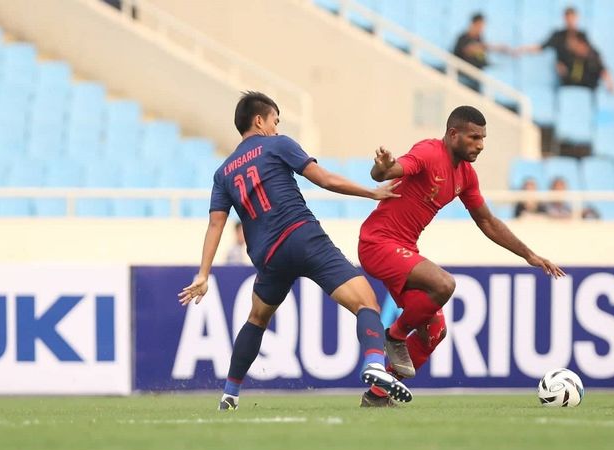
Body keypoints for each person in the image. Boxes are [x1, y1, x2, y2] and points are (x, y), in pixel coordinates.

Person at [178, 91, 413, 410]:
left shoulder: (223, 172)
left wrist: (203, 274)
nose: (276, 127)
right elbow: (325, 179)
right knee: (365, 302)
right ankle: (373, 363)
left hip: (267, 256)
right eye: (275, 120)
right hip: (302, 237)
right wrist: (370, 192)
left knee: (257, 319)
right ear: (259, 120)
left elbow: (216, 225)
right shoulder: (277, 144)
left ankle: (229, 395)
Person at [357, 106, 566, 406]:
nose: (480, 144)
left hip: (402, 249)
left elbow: (488, 221)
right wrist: (381, 167)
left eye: (483, 138)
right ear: (453, 134)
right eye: (473, 137)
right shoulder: (429, 152)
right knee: (443, 284)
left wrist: (528, 254)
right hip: (378, 243)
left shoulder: (466, 175)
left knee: (435, 331)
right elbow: (388, 171)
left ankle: (377, 396)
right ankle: (395, 335)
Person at [515, 7, 614, 92]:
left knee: (594, 56)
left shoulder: (582, 35)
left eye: (573, 18)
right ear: (564, 18)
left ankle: (608, 81)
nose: (570, 21)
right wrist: (522, 49)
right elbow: (541, 47)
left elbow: (591, 53)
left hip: (584, 75)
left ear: (576, 18)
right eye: (568, 18)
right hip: (567, 75)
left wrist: (578, 48)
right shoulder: (558, 36)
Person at [452, 13, 512, 92]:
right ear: (474, 24)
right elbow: (468, 50)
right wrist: (491, 47)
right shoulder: (463, 37)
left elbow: (481, 57)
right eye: (480, 25)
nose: (481, 28)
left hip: (476, 78)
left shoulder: (480, 39)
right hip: (462, 76)